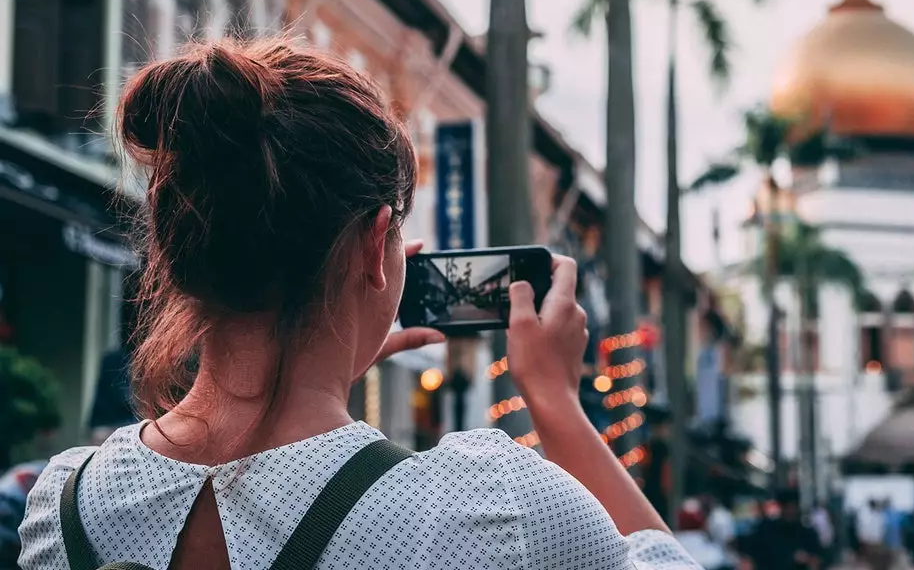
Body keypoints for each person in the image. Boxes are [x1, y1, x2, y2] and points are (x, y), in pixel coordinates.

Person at [18, 40, 699, 569]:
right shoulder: (488, 509)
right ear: (377, 245)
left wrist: (321, 373)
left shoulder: (65, 504)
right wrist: (555, 399)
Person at [740, 489, 823, 569]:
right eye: (788, 507)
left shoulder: (807, 533)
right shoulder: (767, 529)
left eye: (794, 507)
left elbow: (817, 557)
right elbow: (759, 552)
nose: (791, 511)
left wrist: (808, 559)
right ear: (782, 508)